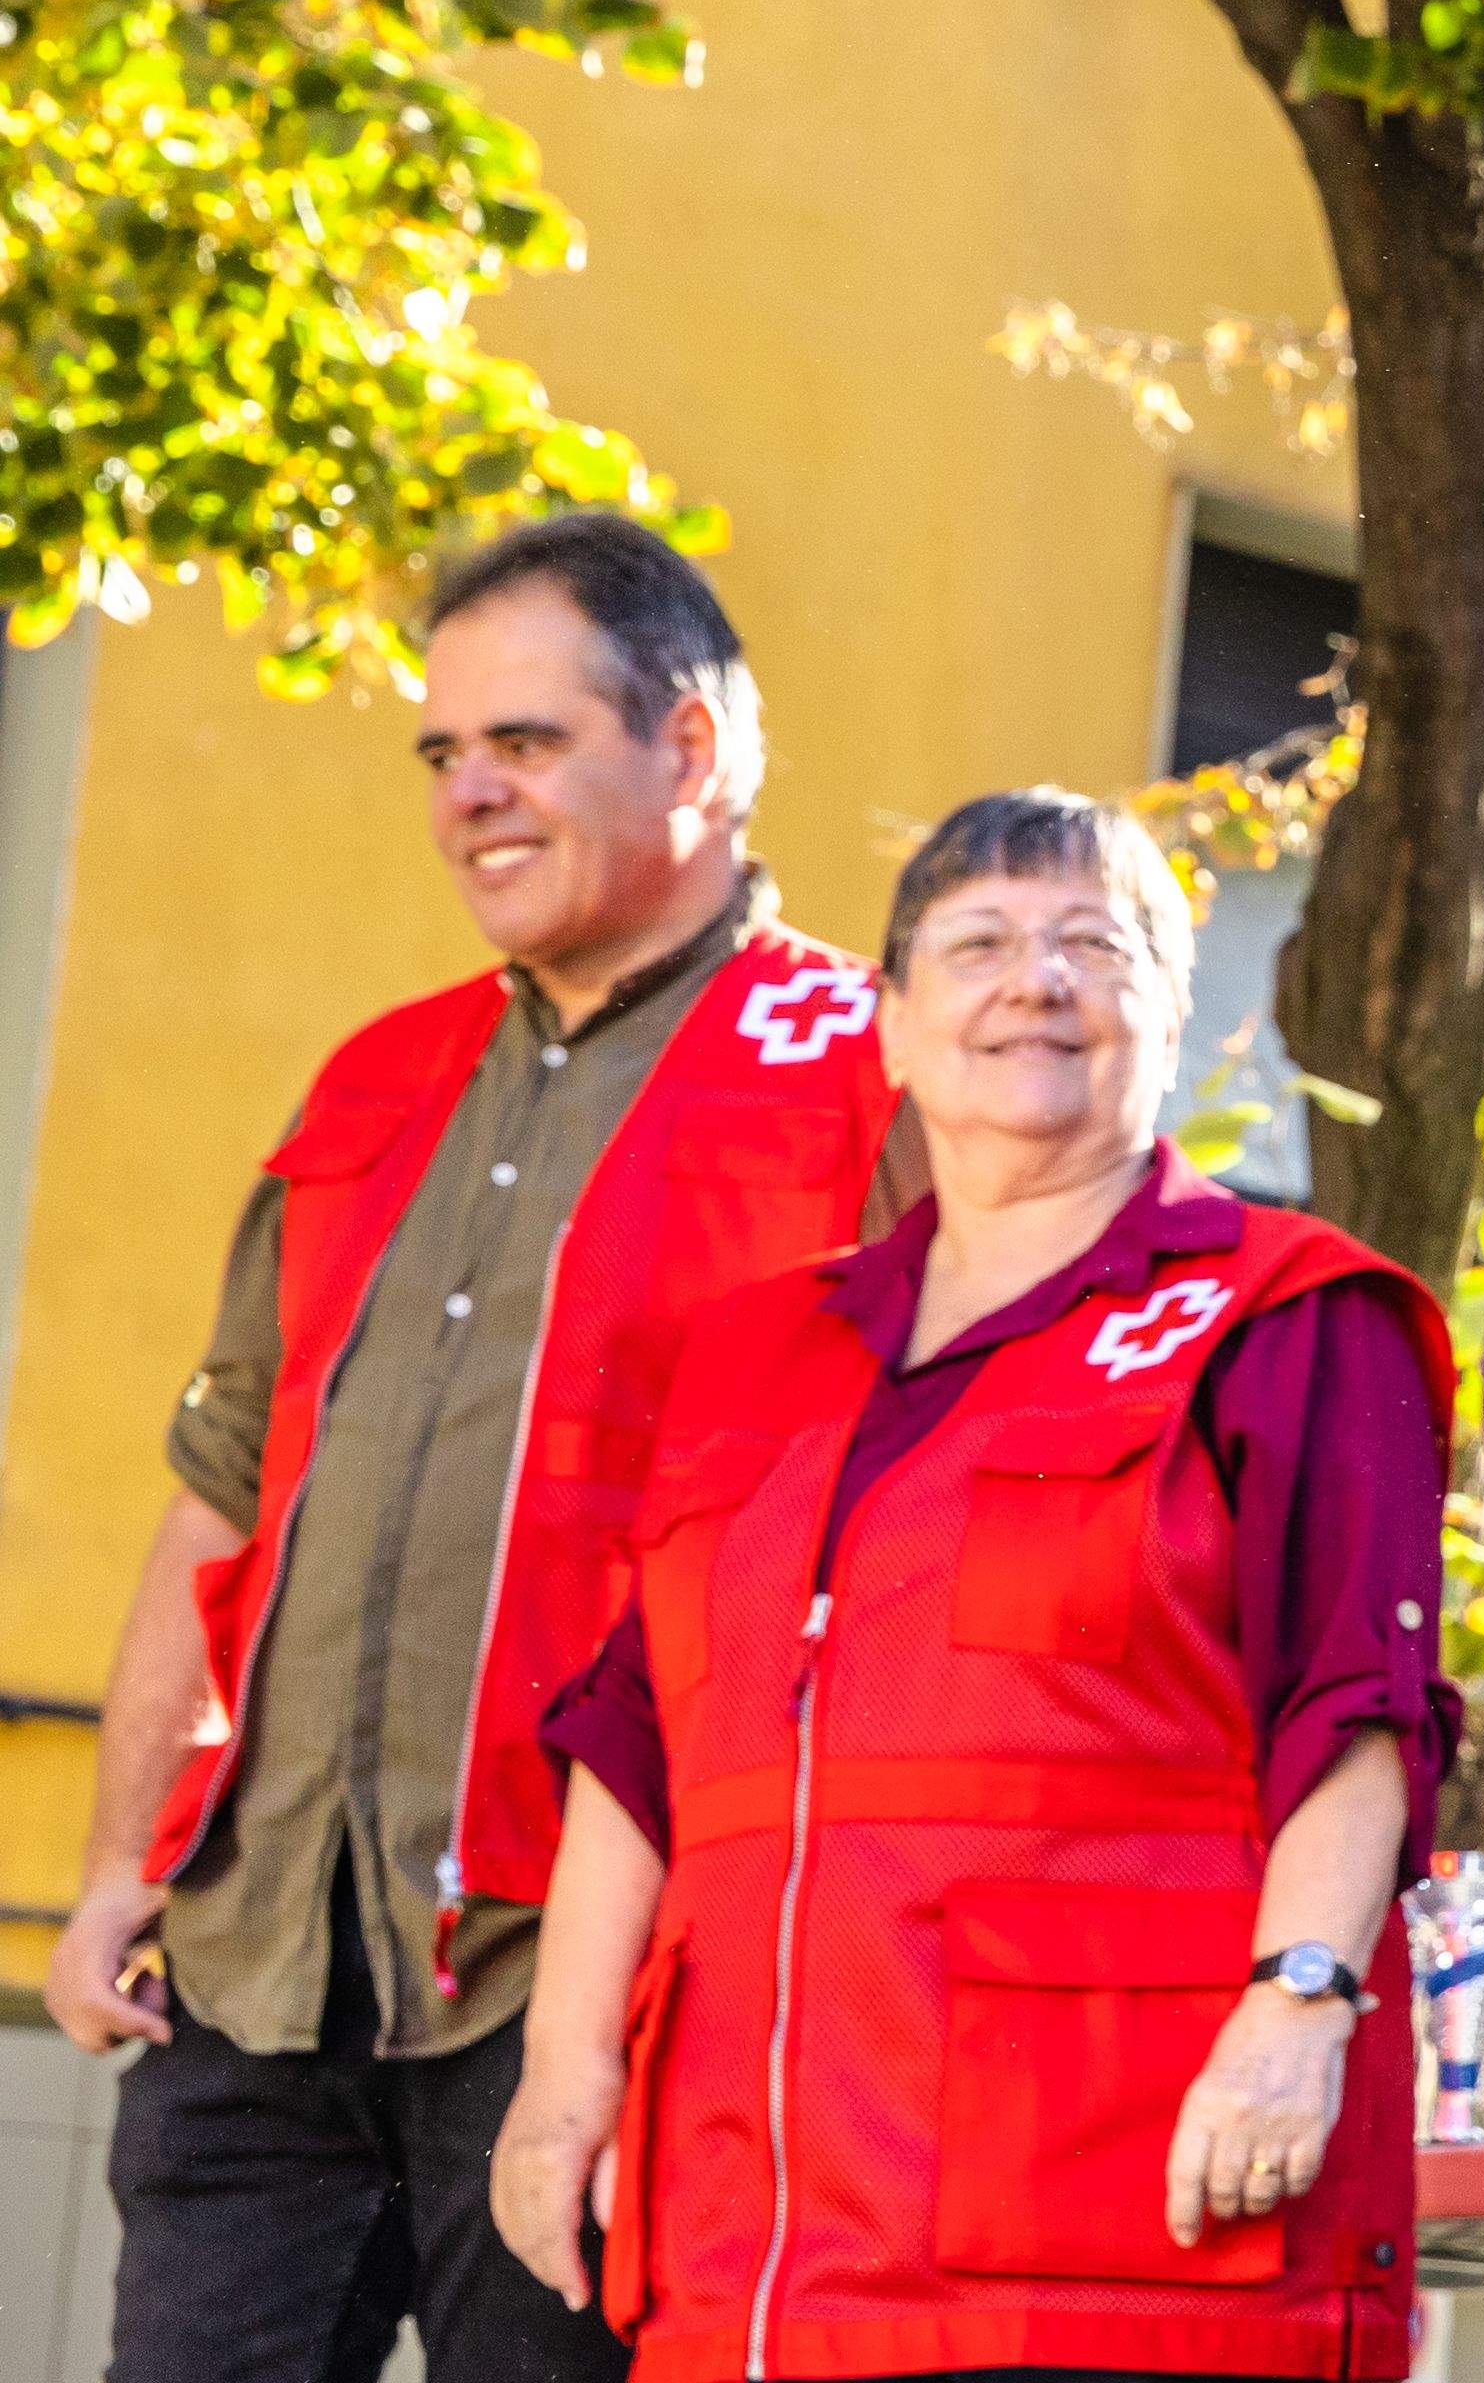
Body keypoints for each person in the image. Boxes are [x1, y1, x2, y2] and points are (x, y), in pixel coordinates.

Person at [51, 513, 892, 2383]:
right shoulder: (374, 1078)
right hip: (261, 1974)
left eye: (526, 743)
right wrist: (122, 1858)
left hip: (598, 2005)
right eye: (445, 754)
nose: (470, 796)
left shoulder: (872, 1081)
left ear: (693, 747)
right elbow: (222, 1485)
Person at [488, 788, 1459, 2379]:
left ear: (1167, 1005)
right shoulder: (752, 1357)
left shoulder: (1286, 1317)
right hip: (757, 2248)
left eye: (1096, 943)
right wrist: (563, 2069)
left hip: (1119, 2231)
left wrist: (1302, 2010)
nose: (1038, 981)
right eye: (982, 944)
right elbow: (640, 1739)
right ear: (892, 1025)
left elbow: (1360, 1708)